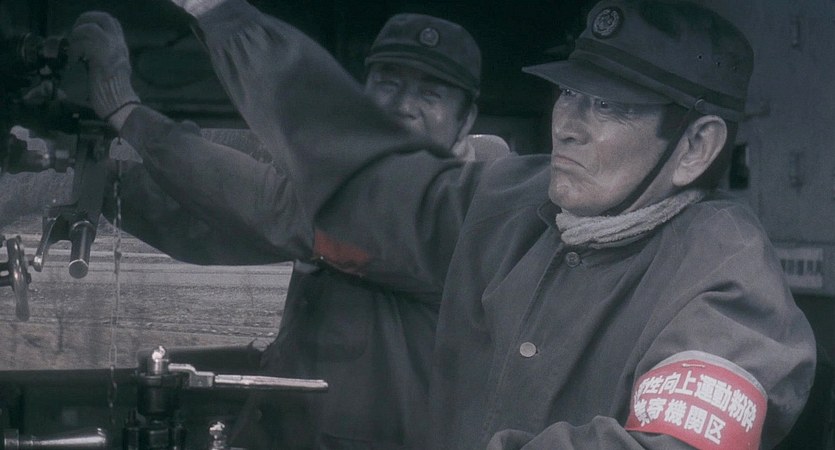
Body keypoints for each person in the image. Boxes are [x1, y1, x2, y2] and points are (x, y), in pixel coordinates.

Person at [158, 0, 817, 448]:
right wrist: (225, 19)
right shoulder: (512, 199)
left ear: (696, 146)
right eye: (570, 92)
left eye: (611, 107)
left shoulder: (724, 273)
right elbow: (364, 176)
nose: (569, 123)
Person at [71, 10, 507, 449]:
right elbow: (220, 232)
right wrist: (102, 180)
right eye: (388, 84)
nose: (402, 105)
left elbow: (274, 209)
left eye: (430, 94)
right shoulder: (348, 192)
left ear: (466, 119)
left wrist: (128, 113)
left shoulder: (460, 216)